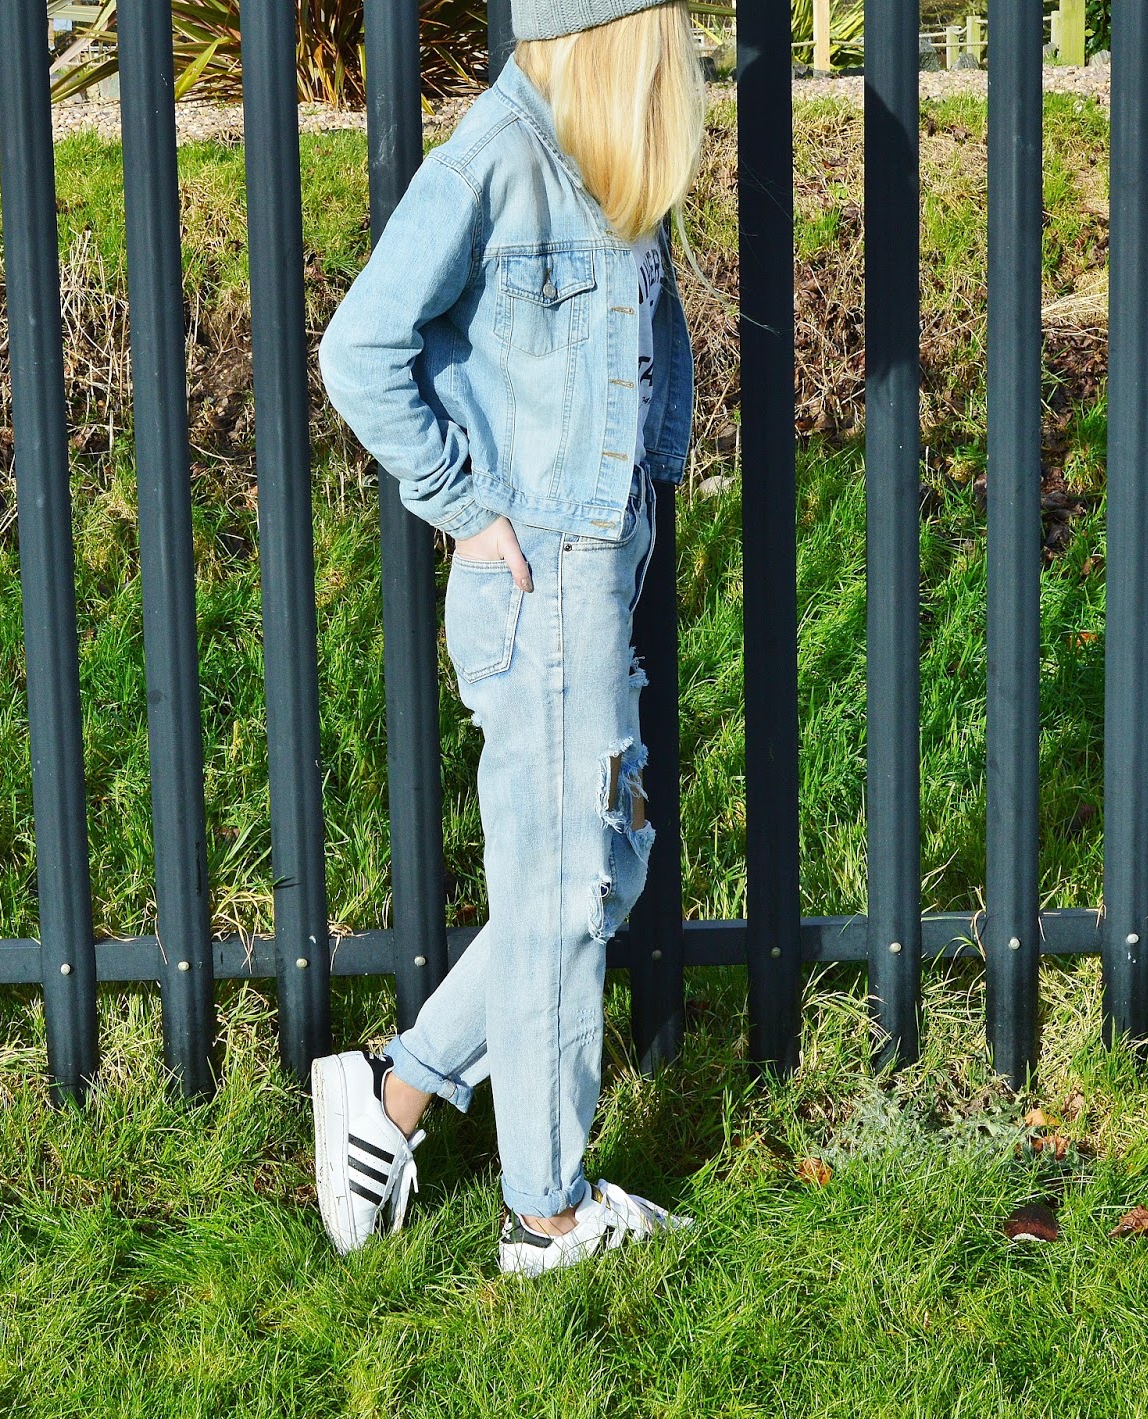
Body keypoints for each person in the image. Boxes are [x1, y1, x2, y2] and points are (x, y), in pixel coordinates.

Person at [312, 0, 704, 1277]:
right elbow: (360, 348)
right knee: (566, 895)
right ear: (616, 35)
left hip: (596, 573)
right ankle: (546, 1215)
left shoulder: (600, 154)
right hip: (541, 586)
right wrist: (465, 507)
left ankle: (396, 1093)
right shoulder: (494, 156)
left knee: (599, 877)